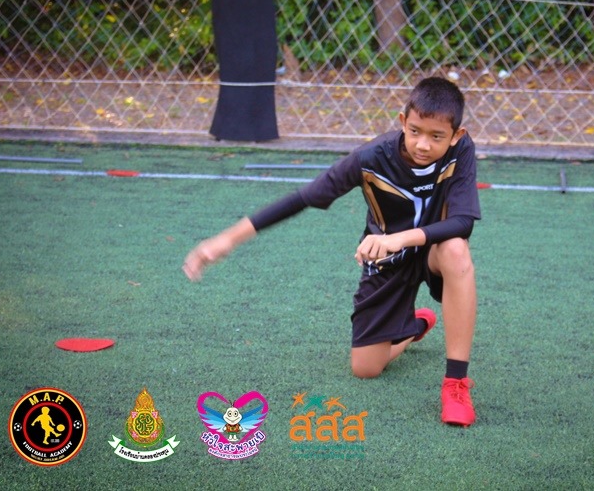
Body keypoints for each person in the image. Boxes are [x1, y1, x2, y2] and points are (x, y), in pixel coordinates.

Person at [183, 77, 480, 426]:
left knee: (456, 250)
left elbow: (463, 222)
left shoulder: (461, 150)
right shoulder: (371, 158)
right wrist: (228, 239)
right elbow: (303, 198)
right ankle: (412, 327)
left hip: (431, 252)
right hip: (385, 260)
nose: (423, 144)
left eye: (436, 136)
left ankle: (456, 383)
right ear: (402, 121)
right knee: (365, 369)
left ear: (456, 135)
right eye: (415, 131)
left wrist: (401, 238)